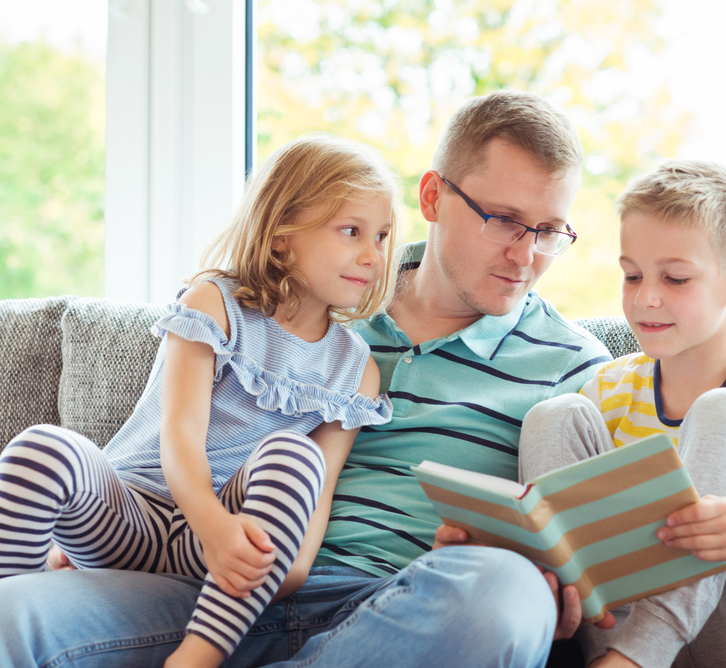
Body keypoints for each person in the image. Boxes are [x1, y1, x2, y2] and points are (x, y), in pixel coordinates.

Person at [0, 90, 613, 668]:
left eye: (551, 231)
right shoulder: (295, 305)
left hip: (394, 612)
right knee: (15, 614)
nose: (526, 255)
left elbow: (598, 562)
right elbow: (161, 444)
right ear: (432, 198)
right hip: (205, 584)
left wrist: (559, 588)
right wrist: (85, 529)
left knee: (507, 595)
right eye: (505, 220)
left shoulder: (576, 368)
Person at [0, 134, 400, 668]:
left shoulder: (356, 371)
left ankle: (198, 656)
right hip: (132, 514)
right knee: (42, 448)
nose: (373, 255)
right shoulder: (213, 302)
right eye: (351, 231)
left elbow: (316, 496)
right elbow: (180, 434)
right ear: (282, 236)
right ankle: (16, 601)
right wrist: (209, 523)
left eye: (383, 236)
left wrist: (273, 569)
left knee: (294, 456)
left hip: (220, 552)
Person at [518, 159, 726, 667]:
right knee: (553, 415)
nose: (645, 298)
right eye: (632, 275)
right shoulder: (608, 389)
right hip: (620, 623)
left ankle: (637, 657)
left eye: (675, 278)